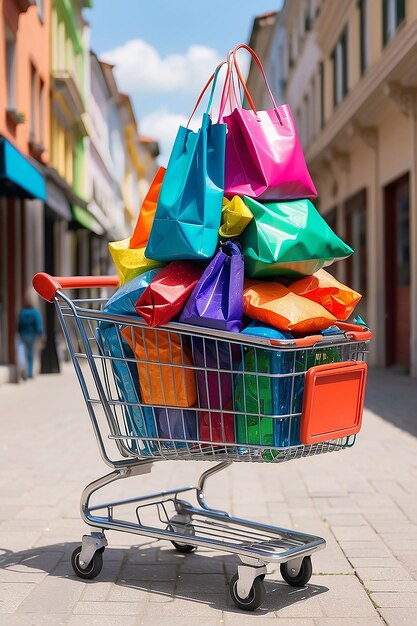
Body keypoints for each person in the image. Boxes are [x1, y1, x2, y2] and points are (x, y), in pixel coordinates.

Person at [17, 292, 43, 379]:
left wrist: (19, 332)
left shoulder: (22, 312)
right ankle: (29, 373)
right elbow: (38, 324)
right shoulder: (35, 312)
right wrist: (40, 334)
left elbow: (19, 324)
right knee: (30, 354)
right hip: (31, 335)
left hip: (22, 334)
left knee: (22, 352)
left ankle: (23, 368)